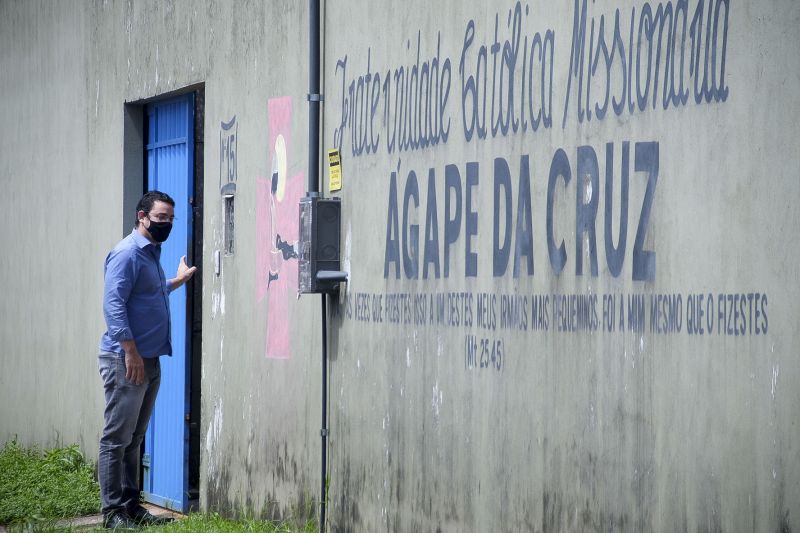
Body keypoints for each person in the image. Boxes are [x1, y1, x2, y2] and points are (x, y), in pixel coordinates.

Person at [97, 191, 197, 530]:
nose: (166, 223)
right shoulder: (127, 254)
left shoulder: (152, 254)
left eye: (170, 218)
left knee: (134, 438)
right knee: (116, 439)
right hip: (126, 360)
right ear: (142, 216)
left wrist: (177, 281)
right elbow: (114, 307)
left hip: (148, 359)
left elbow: (150, 294)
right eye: (161, 217)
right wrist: (131, 352)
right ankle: (112, 514)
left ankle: (130, 505)